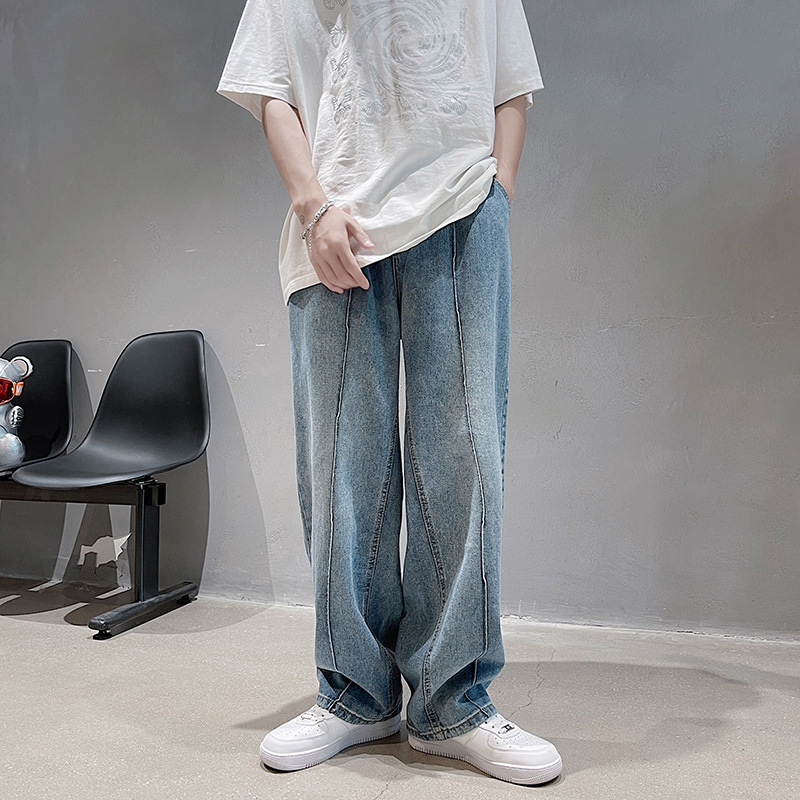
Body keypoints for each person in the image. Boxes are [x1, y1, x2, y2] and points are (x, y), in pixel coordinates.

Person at [218, 0, 562, 785]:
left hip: (463, 213)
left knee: (466, 457)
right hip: (338, 227)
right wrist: (313, 208)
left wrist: (498, 194)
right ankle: (355, 694)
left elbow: (511, 84)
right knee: (343, 464)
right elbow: (272, 88)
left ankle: (453, 703)